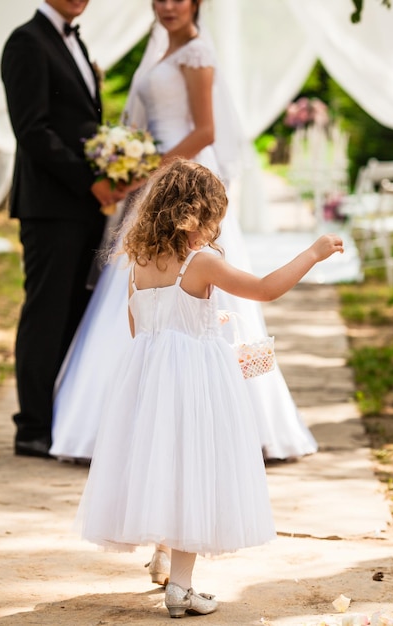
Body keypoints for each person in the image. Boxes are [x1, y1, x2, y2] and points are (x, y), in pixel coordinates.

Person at [51, 0, 318, 471]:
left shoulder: (197, 54)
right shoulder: (156, 54)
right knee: (139, 286)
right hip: (157, 184)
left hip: (184, 184)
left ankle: (236, 419)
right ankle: (120, 422)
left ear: (196, 3)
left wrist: (145, 172)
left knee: (210, 287)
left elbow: (206, 130)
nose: (168, 5)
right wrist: (129, 160)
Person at [77, 158, 344, 618]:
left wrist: (199, 321)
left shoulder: (140, 262)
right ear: (196, 214)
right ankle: (180, 587)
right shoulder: (201, 261)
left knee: (163, 463)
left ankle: (162, 553)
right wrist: (313, 253)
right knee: (195, 472)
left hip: (147, 378)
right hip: (195, 381)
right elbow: (263, 289)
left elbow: (139, 324)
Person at [0, 0, 129, 458]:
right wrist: (91, 181)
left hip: (83, 207)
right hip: (50, 207)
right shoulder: (25, 42)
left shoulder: (74, 39)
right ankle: (31, 427)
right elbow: (32, 130)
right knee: (46, 313)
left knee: (75, 313)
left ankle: (61, 419)